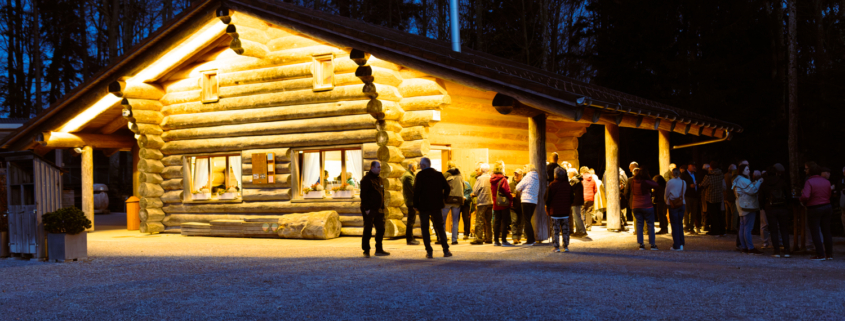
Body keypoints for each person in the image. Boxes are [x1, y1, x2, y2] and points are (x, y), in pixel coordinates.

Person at [413, 157, 453, 259]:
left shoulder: (420, 175)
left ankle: (429, 252)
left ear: (423, 165)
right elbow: (447, 188)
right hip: (436, 206)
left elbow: (416, 191)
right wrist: (443, 199)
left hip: (424, 207)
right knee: (440, 227)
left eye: (420, 165)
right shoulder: (438, 174)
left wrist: (415, 205)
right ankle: (445, 250)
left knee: (425, 229)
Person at [800, 165, 833, 261]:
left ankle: (820, 254)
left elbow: (805, 196)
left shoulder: (809, 182)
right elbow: (829, 194)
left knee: (815, 231)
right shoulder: (827, 182)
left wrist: (802, 200)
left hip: (814, 207)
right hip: (827, 206)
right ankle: (829, 254)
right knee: (826, 231)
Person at [759, 164, 792, 258]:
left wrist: (763, 207)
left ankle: (776, 251)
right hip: (782, 208)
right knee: (784, 229)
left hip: (770, 208)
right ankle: (786, 250)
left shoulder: (764, 184)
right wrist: (788, 205)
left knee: (773, 230)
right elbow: (788, 195)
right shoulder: (782, 182)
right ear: (776, 173)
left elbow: (761, 198)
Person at [360, 161, 389, 258]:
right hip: (369, 209)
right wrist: (366, 208)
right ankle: (366, 250)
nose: (380, 169)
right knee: (368, 229)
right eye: (378, 167)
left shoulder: (380, 179)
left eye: (380, 167)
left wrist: (382, 207)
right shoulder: (366, 180)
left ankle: (379, 249)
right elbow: (363, 195)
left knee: (381, 229)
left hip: (379, 209)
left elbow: (382, 194)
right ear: (372, 168)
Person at [734, 164, 763, 255]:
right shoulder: (743, 180)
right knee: (748, 227)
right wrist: (759, 182)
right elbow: (752, 190)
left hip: (741, 205)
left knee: (742, 226)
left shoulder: (738, 179)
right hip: (747, 206)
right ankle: (750, 248)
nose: (749, 171)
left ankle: (744, 247)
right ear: (742, 171)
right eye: (747, 169)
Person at [631, 167, 660, 250]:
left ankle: (641, 245)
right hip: (647, 205)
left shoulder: (633, 181)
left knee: (639, 225)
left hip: (636, 206)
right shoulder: (646, 181)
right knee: (650, 225)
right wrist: (649, 178)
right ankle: (652, 245)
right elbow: (656, 185)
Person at [546, 167, 573, 253]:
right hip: (565, 211)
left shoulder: (552, 185)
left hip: (555, 212)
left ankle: (556, 247)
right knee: (565, 230)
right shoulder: (568, 185)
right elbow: (572, 198)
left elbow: (547, 198)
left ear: (555, 175)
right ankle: (566, 246)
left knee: (555, 230)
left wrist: (547, 207)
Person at [515, 164, 540, 246]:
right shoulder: (537, 178)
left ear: (529, 169)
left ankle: (530, 240)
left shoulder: (527, 177)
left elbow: (518, 187)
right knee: (528, 220)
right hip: (534, 201)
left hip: (526, 200)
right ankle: (532, 239)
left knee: (527, 221)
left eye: (525, 167)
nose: (524, 169)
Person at [490, 162, 514, 246]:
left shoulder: (492, 179)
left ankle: (496, 241)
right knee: (504, 222)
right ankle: (504, 240)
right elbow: (507, 191)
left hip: (496, 203)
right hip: (504, 204)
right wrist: (511, 197)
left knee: (496, 222)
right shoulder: (503, 179)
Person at [470, 163, 493, 245]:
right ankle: (489, 238)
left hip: (482, 202)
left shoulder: (480, 179)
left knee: (479, 221)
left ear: (481, 170)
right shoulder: (491, 178)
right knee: (488, 221)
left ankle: (479, 238)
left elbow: (475, 191)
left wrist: (473, 194)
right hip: (490, 202)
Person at [700, 161, 725, 236]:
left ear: (710, 167)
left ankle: (715, 230)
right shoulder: (721, 174)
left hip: (710, 197)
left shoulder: (709, 176)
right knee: (719, 214)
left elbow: (703, 185)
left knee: (713, 215)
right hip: (719, 196)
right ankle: (722, 230)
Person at [443, 162, 465, 245]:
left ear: (448, 166)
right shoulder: (460, 176)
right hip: (457, 200)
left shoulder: (446, 175)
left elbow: (442, 187)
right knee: (455, 220)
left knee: (443, 220)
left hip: (447, 200)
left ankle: (443, 238)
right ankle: (454, 240)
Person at [665, 168, 686, 251]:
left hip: (673, 204)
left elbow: (666, 193)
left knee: (674, 224)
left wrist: (666, 201)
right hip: (682, 203)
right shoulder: (683, 182)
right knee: (680, 223)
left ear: (672, 173)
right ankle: (681, 243)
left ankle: (676, 245)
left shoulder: (670, 182)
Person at [401, 161, 419, 245]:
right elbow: (413, 188)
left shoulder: (409, 174)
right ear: (412, 167)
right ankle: (409, 239)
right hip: (411, 201)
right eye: (416, 166)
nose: (417, 167)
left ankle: (411, 238)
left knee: (411, 220)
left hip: (411, 201)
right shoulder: (408, 176)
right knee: (411, 221)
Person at [682, 164, 703, 234]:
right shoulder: (684, 174)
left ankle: (691, 227)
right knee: (687, 212)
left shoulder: (696, 174)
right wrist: (689, 186)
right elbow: (682, 184)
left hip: (695, 195)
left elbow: (698, 181)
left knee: (694, 212)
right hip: (687, 195)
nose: (695, 167)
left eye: (695, 166)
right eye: (693, 166)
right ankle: (686, 227)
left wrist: (699, 185)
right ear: (689, 166)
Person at [568, 168, 586, 237]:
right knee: (577, 216)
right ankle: (579, 231)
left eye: (569, 173)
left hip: (575, 200)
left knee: (577, 216)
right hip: (578, 200)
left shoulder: (574, 180)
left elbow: (570, 188)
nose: (568, 175)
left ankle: (582, 231)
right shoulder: (578, 179)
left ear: (572, 174)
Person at [509, 168, 525, 244]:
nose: (516, 176)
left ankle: (519, 237)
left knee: (521, 223)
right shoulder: (511, 184)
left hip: (522, 206)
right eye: (515, 174)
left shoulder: (524, 184)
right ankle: (515, 238)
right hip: (513, 207)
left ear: (521, 175)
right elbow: (508, 194)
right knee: (514, 221)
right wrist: (511, 195)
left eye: (517, 174)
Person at [580, 166, 597, 232]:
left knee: (581, 211)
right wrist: (592, 195)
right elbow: (595, 189)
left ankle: (582, 226)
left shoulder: (581, 179)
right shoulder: (592, 179)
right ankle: (589, 226)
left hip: (583, 197)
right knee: (589, 212)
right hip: (591, 198)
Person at [724, 164, 738, 233]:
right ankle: (733, 227)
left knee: (727, 213)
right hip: (732, 197)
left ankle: (728, 227)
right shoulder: (732, 177)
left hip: (725, 197)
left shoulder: (725, 175)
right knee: (734, 213)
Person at [460, 174, 473, 241]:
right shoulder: (456, 185)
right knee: (456, 219)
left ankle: (466, 233)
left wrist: (466, 197)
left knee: (466, 219)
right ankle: (455, 234)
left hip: (465, 204)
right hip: (458, 204)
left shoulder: (467, 184)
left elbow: (471, 192)